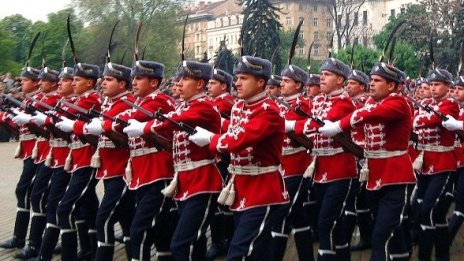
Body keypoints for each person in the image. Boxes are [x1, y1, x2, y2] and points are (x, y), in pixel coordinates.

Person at [188, 56, 290, 259]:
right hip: (241, 187)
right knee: (255, 252)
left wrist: (212, 138)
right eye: (237, 77)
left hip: (262, 190)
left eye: (244, 78)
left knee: (239, 252)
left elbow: (241, 138)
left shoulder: (269, 110)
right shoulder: (239, 107)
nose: (237, 83)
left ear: (261, 82)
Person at [318, 62, 419, 260]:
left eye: (377, 80)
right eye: (371, 80)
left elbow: (369, 115)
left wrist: (338, 125)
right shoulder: (371, 103)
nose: (371, 84)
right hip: (373, 176)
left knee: (381, 236)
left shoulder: (399, 103)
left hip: (395, 177)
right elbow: (360, 131)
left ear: (391, 86)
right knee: (392, 232)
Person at [124, 60, 222, 260]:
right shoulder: (187, 105)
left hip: (203, 181)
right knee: (191, 240)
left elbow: (173, 120)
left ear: (199, 84)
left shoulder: (204, 106)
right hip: (186, 181)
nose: (179, 83)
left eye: (185, 79)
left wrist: (144, 128)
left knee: (182, 243)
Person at [287, 58, 357, 260]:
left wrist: (291, 126)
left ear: (340, 80)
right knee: (336, 226)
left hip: (340, 170)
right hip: (320, 169)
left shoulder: (344, 103)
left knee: (326, 223)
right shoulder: (317, 101)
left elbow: (320, 125)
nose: (321, 78)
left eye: (327, 75)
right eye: (321, 74)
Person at [116, 60, 176, 261]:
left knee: (139, 230)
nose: (133, 82)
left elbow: (123, 119)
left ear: (153, 83)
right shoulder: (141, 101)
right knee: (160, 228)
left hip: (158, 174)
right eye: (133, 78)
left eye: (139, 78)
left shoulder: (159, 101)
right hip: (143, 174)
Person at [81, 62, 135, 260]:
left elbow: (124, 138)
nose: (103, 83)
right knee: (128, 220)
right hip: (110, 168)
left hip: (122, 170)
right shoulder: (110, 103)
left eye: (109, 79)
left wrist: (102, 128)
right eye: (104, 79)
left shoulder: (127, 104)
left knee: (103, 218)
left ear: (122, 84)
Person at [12, 66, 61, 259]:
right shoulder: (39, 99)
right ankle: (26, 239)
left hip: (51, 153)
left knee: (39, 196)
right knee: (29, 193)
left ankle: (35, 243)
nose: (39, 83)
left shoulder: (54, 100)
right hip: (38, 151)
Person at [55, 62, 102, 261]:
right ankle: (89, 248)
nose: (73, 83)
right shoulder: (80, 99)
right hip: (78, 158)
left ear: (89, 82)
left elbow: (66, 115)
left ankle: (70, 255)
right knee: (87, 207)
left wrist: (50, 113)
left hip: (87, 160)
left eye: (77, 79)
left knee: (65, 208)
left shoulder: (91, 99)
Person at [31, 66, 77, 261]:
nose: (61, 83)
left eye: (67, 80)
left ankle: (44, 251)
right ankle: (41, 248)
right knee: (49, 200)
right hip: (56, 155)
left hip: (71, 159)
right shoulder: (65, 102)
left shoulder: (84, 102)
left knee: (59, 205)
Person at [413, 68, 458, 261]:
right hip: (425, 164)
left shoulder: (451, 104)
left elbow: (433, 120)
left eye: (437, 84)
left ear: (448, 87)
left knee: (427, 211)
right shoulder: (425, 103)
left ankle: (425, 256)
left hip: (442, 165)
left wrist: (417, 119)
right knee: (436, 214)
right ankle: (443, 254)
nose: (432, 88)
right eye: (430, 84)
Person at [271, 63, 313, 261]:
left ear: (298, 85)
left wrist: (292, 126)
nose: (282, 84)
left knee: (281, 214)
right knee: (297, 216)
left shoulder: (303, 105)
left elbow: (309, 126)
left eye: (286, 81)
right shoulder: (279, 104)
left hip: (297, 165)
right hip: (281, 165)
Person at [0, 66, 41, 251]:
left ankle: (33, 241)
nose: (22, 83)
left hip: (40, 153)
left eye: (25, 80)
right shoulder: (31, 99)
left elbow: (42, 128)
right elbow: (22, 129)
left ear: (36, 82)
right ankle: (19, 237)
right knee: (23, 192)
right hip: (29, 151)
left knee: (31, 194)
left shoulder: (41, 101)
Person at [206, 68, 235, 259]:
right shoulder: (213, 103)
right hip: (215, 156)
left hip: (225, 158)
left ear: (223, 86)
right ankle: (220, 240)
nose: (208, 86)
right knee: (217, 203)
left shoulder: (226, 103)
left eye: (213, 83)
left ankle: (225, 241)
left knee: (223, 203)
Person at [343, 69, 373, 251]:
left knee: (359, 199)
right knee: (359, 200)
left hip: (362, 155)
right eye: (348, 83)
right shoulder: (353, 103)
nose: (348, 86)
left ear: (362, 86)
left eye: (352, 83)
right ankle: (366, 236)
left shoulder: (363, 104)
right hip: (353, 153)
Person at [443, 76, 464, 244]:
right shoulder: (457, 108)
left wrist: (458, 125)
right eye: (454, 88)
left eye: (460, 89)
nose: (455, 91)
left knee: (461, 203)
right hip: (455, 162)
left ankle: (446, 240)